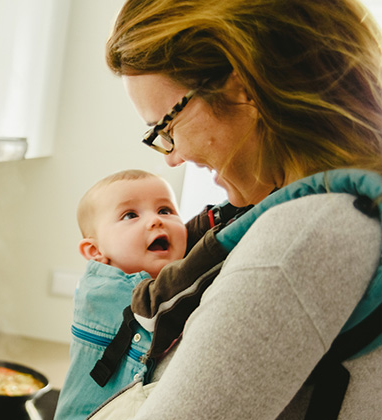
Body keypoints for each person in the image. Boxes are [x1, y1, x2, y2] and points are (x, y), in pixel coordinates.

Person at [95, 0, 382, 418]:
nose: (172, 157)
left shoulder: (299, 239)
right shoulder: (345, 206)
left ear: (242, 83)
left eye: (167, 127)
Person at [54, 169, 188, 420]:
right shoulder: (100, 291)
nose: (155, 221)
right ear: (95, 250)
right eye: (130, 215)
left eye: (165, 210)